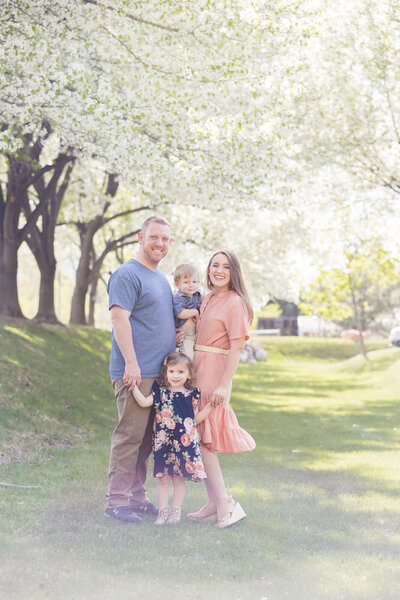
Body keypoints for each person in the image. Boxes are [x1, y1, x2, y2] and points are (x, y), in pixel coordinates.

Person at [105, 216, 177, 524]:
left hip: (159, 376)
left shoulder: (159, 277)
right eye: (154, 237)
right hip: (136, 373)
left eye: (165, 239)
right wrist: (131, 363)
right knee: (129, 437)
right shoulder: (127, 274)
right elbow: (119, 319)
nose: (160, 243)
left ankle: (136, 495)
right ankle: (116, 502)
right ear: (140, 237)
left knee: (148, 440)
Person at [188, 249, 256, 529]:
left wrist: (224, 384)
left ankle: (227, 503)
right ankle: (214, 502)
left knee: (205, 440)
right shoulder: (206, 298)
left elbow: (237, 346)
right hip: (197, 368)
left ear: (233, 272)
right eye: (214, 265)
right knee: (198, 438)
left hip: (214, 372)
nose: (218, 270)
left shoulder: (235, 302)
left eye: (225, 267)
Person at [133, 352, 212, 525]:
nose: (175, 376)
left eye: (180, 372)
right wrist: (133, 388)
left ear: (189, 374)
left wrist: (210, 406)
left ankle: (175, 512)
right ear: (166, 373)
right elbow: (144, 403)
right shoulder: (160, 393)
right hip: (164, 443)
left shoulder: (192, 395)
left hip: (184, 443)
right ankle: (163, 512)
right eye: (172, 371)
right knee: (163, 478)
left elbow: (195, 419)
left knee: (178, 478)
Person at [172, 264, 202, 360]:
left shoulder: (197, 296)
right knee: (188, 358)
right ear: (177, 284)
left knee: (198, 359)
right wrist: (195, 312)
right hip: (186, 334)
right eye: (186, 282)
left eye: (194, 282)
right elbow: (180, 313)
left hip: (197, 334)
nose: (191, 285)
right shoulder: (179, 298)